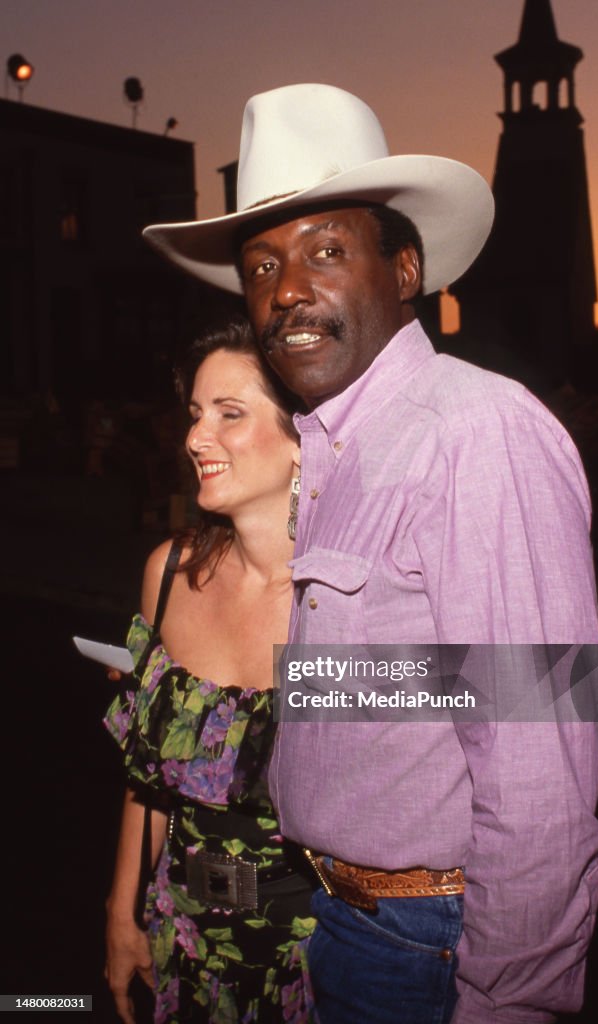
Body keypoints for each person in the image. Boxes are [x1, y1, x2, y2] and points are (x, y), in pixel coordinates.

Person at [142, 84, 598, 1023]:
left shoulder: (473, 434)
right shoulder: (333, 455)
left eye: (325, 251)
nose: (287, 291)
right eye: (263, 265)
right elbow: (423, 693)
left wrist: (506, 1002)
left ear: (403, 272)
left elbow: (539, 766)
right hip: (339, 927)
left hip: (431, 946)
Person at [103, 320, 317, 1024]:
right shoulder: (169, 576)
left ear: (301, 440)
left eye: (230, 414)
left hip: (316, 951)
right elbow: (147, 776)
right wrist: (123, 912)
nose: (196, 438)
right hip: (183, 931)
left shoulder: (341, 604)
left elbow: (551, 689)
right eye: (196, 414)